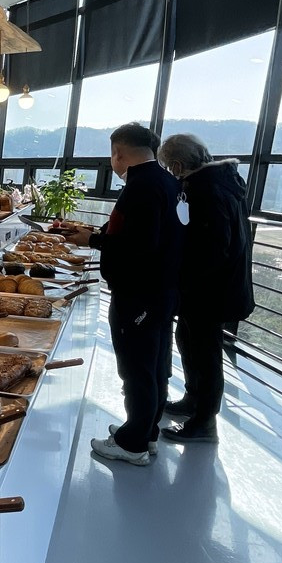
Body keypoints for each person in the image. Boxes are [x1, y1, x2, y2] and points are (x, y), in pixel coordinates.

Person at [65, 123, 183, 465]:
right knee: (154, 365)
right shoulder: (167, 181)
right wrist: (100, 234)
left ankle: (132, 444)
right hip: (162, 291)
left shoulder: (142, 186)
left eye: (112, 154)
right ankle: (146, 431)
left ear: (118, 153)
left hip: (138, 294)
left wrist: (92, 240)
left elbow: (138, 246)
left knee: (136, 369)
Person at [157, 134, 254, 441]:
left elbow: (211, 250)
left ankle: (204, 421)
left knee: (205, 353)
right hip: (215, 288)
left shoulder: (205, 190)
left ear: (177, 165)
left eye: (168, 167)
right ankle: (193, 400)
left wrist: (182, 279)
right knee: (189, 341)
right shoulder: (222, 181)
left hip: (210, 292)